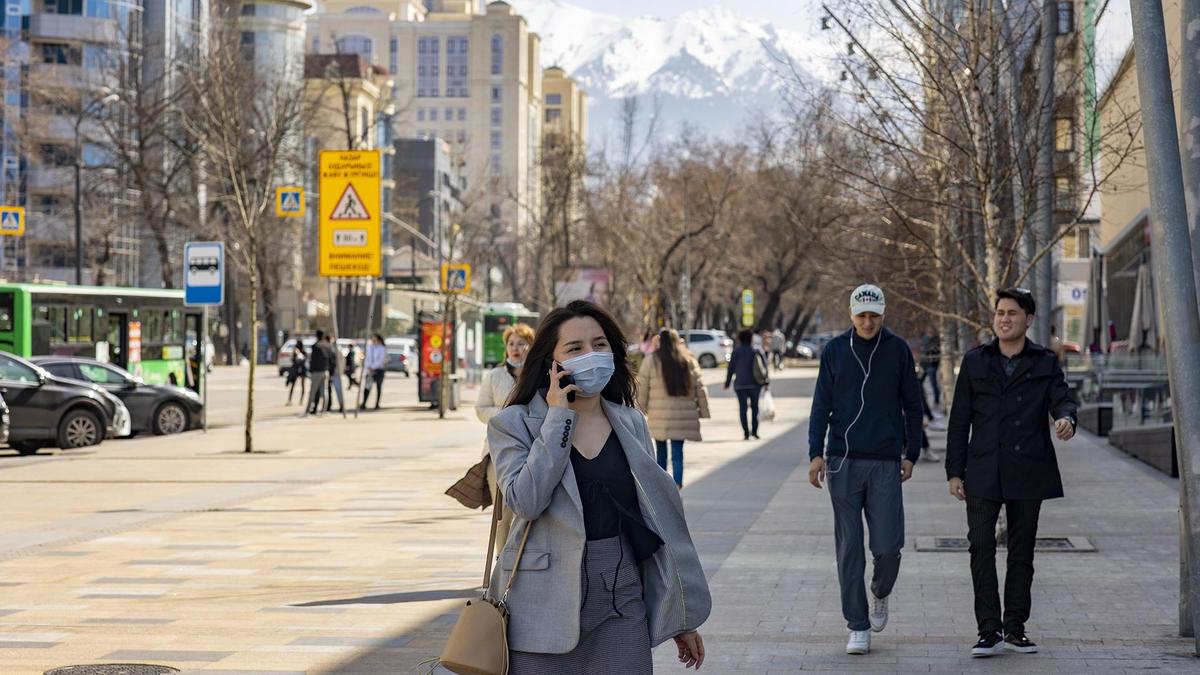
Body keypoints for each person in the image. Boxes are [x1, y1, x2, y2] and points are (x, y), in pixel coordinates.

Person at [487, 300, 710, 672]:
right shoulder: (513, 424)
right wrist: (559, 417)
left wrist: (678, 617)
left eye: (600, 344)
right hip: (541, 606)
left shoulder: (632, 423)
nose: (591, 355)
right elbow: (525, 501)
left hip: (620, 598)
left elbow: (650, 520)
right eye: (575, 348)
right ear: (551, 362)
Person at [945, 288, 1078, 658]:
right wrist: (954, 472)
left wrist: (1066, 418)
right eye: (1000, 313)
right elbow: (959, 421)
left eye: (1012, 313)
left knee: (1022, 552)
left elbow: (1062, 398)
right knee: (981, 546)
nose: (1004, 319)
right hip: (983, 469)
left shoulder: (1045, 362)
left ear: (1029, 319)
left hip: (1028, 468)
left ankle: (1016, 629)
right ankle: (988, 631)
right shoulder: (975, 362)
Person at [807, 284, 924, 656]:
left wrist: (912, 452)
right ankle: (857, 624)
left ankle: (880, 592)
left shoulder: (898, 350)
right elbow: (820, 404)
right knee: (849, 549)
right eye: (862, 315)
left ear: (883, 314)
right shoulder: (836, 351)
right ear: (851, 315)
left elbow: (914, 404)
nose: (868, 322)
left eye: (874, 315)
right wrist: (815, 453)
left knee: (888, 548)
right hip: (842, 460)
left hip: (886, 461)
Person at [474, 322, 534, 550]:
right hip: (497, 450)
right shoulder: (495, 375)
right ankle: (503, 562)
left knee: (527, 510)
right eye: (511, 343)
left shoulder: (537, 375)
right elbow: (481, 409)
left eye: (521, 343)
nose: (516, 348)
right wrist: (507, 416)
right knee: (502, 513)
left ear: (531, 346)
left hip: (531, 449)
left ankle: (524, 564)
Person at [636, 328, 709, 488]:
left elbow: (642, 388)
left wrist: (638, 410)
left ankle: (662, 486)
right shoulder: (687, 360)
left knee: (660, 452)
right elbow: (700, 388)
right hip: (681, 418)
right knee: (678, 453)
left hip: (659, 416)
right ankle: (677, 484)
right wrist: (703, 411)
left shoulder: (652, 360)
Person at [725, 329, 767, 440]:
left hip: (740, 385)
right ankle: (755, 432)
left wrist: (727, 382)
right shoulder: (757, 351)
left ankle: (746, 433)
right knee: (755, 408)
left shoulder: (736, 351)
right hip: (755, 384)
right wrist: (766, 382)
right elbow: (764, 368)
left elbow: (731, 368)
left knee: (742, 409)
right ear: (751, 339)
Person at [304, 330, 335, 416]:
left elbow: (312, 360)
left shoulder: (316, 346)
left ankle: (307, 411)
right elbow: (332, 360)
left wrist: (310, 371)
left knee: (312, 392)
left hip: (316, 372)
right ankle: (324, 410)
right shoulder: (328, 346)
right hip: (326, 371)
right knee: (324, 392)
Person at [360, 334, 386, 410]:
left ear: (379, 340)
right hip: (369, 370)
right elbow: (367, 358)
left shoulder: (382, 348)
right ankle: (364, 403)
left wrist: (373, 367)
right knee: (367, 387)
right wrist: (368, 367)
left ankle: (377, 404)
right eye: (373, 340)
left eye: (375, 340)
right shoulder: (369, 347)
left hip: (379, 370)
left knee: (378, 387)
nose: (374, 341)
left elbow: (380, 360)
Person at [324, 335, 346, 415]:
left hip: (336, 374)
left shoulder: (336, 349)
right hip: (333, 373)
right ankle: (329, 406)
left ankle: (341, 406)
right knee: (329, 391)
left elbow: (341, 362)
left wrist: (339, 372)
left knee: (339, 391)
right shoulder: (332, 348)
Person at [920, 332, 942, 409]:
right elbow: (922, 352)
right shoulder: (924, 339)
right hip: (924, 365)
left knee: (933, 384)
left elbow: (937, 353)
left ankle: (936, 402)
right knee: (918, 383)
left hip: (931, 365)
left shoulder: (936, 340)